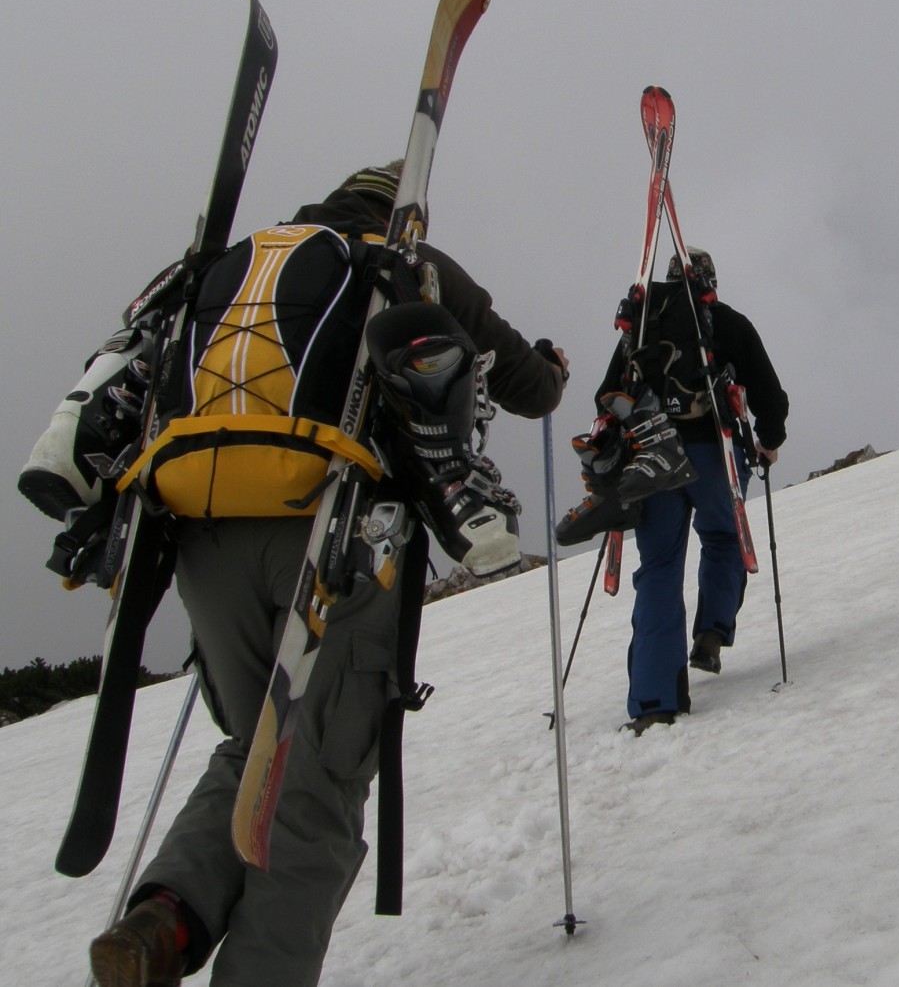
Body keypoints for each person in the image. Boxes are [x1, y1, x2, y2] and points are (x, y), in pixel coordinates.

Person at [62, 163, 567, 987]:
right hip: (336, 537)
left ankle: (169, 915)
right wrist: (553, 368)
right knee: (321, 781)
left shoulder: (234, 270)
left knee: (253, 741)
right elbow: (528, 388)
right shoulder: (411, 267)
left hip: (202, 535)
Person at [567, 247, 786, 734]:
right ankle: (711, 632)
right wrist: (769, 441)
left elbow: (607, 394)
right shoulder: (725, 322)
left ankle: (654, 702)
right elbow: (771, 396)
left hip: (653, 464)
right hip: (713, 455)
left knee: (660, 569)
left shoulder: (640, 330)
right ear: (710, 281)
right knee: (725, 539)